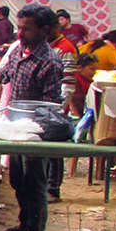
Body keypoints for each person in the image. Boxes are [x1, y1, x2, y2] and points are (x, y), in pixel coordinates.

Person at [0, 4, 63, 231]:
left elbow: (51, 106)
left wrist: (36, 127)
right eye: (20, 27)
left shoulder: (50, 62)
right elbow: (1, 76)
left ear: (44, 30)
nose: (20, 33)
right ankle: (24, 224)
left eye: (26, 29)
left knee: (34, 182)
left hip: (35, 132)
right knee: (17, 179)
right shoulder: (19, 52)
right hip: (15, 128)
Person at [46, 18, 78, 201]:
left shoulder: (66, 49)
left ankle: (53, 188)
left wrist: (59, 107)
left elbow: (68, 83)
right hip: (45, 106)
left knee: (54, 150)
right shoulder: (46, 45)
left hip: (57, 106)